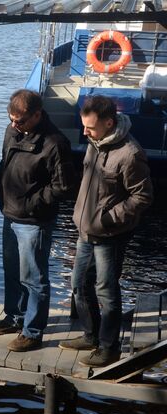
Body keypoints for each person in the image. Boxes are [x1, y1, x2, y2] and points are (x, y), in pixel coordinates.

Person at [59, 95, 153, 367]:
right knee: (78, 285)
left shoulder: (130, 154)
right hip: (85, 230)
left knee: (106, 291)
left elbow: (143, 197)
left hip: (109, 236)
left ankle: (109, 348)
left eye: (90, 127)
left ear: (109, 123)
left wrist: (108, 219)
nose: (85, 132)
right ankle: (91, 335)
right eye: (84, 126)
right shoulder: (94, 143)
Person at [0, 89, 78, 352]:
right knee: (12, 271)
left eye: (21, 121)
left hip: (34, 220)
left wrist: (33, 202)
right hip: (10, 213)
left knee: (34, 277)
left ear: (37, 115)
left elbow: (64, 187)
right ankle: (14, 317)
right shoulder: (11, 131)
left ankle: (33, 331)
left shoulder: (55, 143)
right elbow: (5, 164)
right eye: (12, 119)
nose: (15, 125)